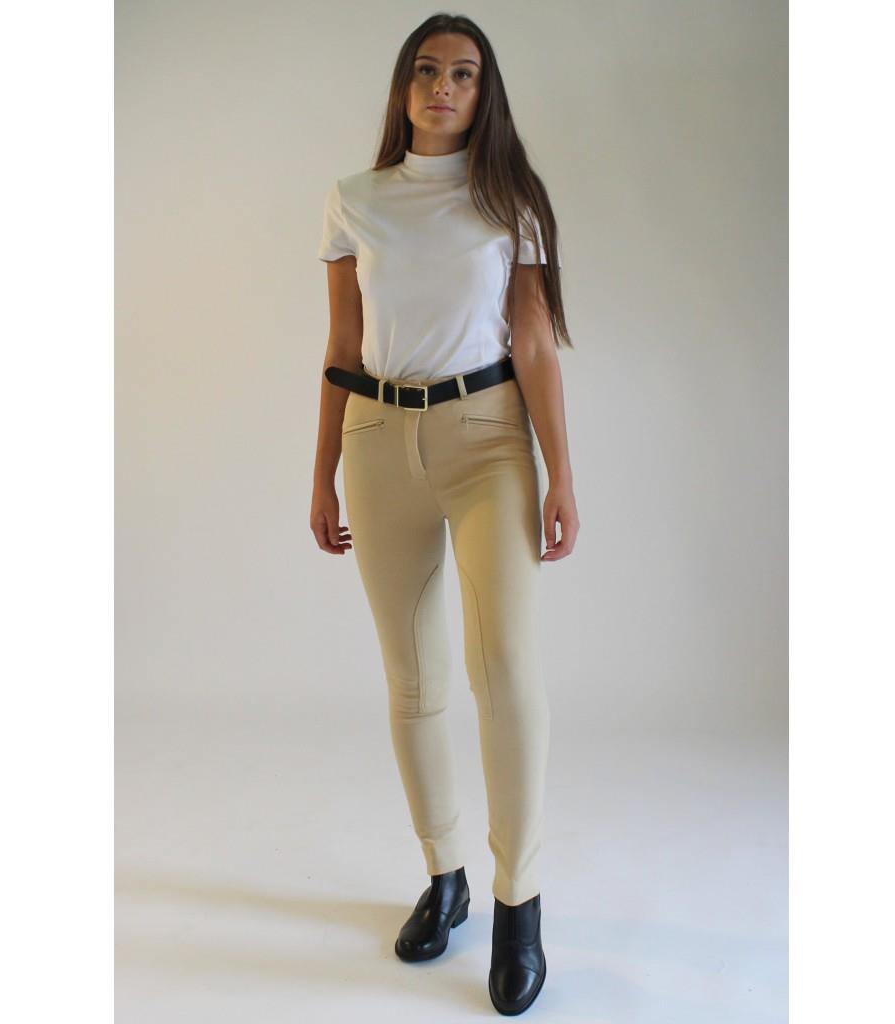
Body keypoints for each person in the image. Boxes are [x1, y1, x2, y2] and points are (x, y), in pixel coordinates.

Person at [309, 13, 579, 1017]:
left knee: (504, 667)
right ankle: (446, 876)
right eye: (427, 70)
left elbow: (536, 343)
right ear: (403, 86)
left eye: (463, 74)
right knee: (413, 678)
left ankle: (519, 903)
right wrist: (322, 470)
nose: (442, 87)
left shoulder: (511, 200)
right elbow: (342, 345)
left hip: (488, 439)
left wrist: (560, 475)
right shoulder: (355, 199)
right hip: (379, 439)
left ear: (482, 92)